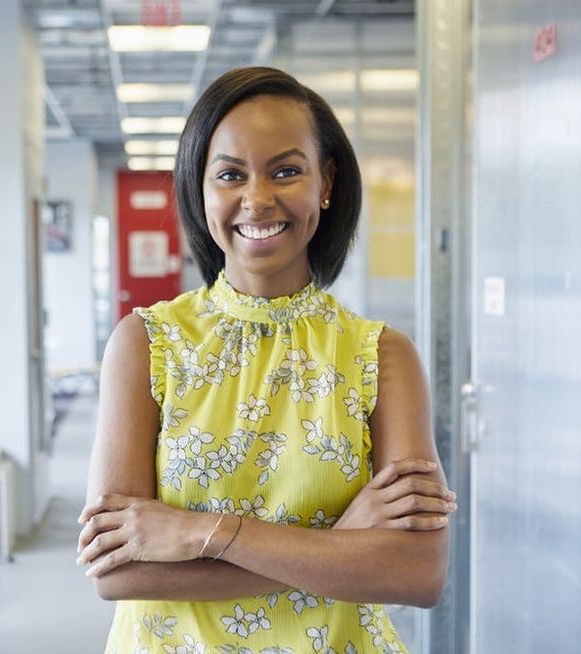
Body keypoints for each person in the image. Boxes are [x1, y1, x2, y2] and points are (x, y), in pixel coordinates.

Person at [77, 66, 455, 653]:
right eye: (230, 174)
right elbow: (117, 572)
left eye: (286, 170)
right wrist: (340, 543)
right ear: (199, 189)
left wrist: (200, 532)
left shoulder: (383, 357)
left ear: (325, 183)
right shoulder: (146, 345)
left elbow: (418, 573)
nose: (257, 199)